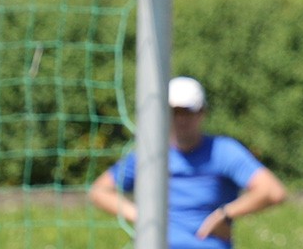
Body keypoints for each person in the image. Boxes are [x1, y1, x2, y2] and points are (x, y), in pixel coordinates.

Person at [90, 76, 287, 249]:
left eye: (188, 112)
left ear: (202, 113)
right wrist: (140, 216)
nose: (181, 119)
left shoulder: (222, 151)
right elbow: (100, 191)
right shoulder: (151, 155)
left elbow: (273, 191)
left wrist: (225, 214)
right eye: (174, 112)